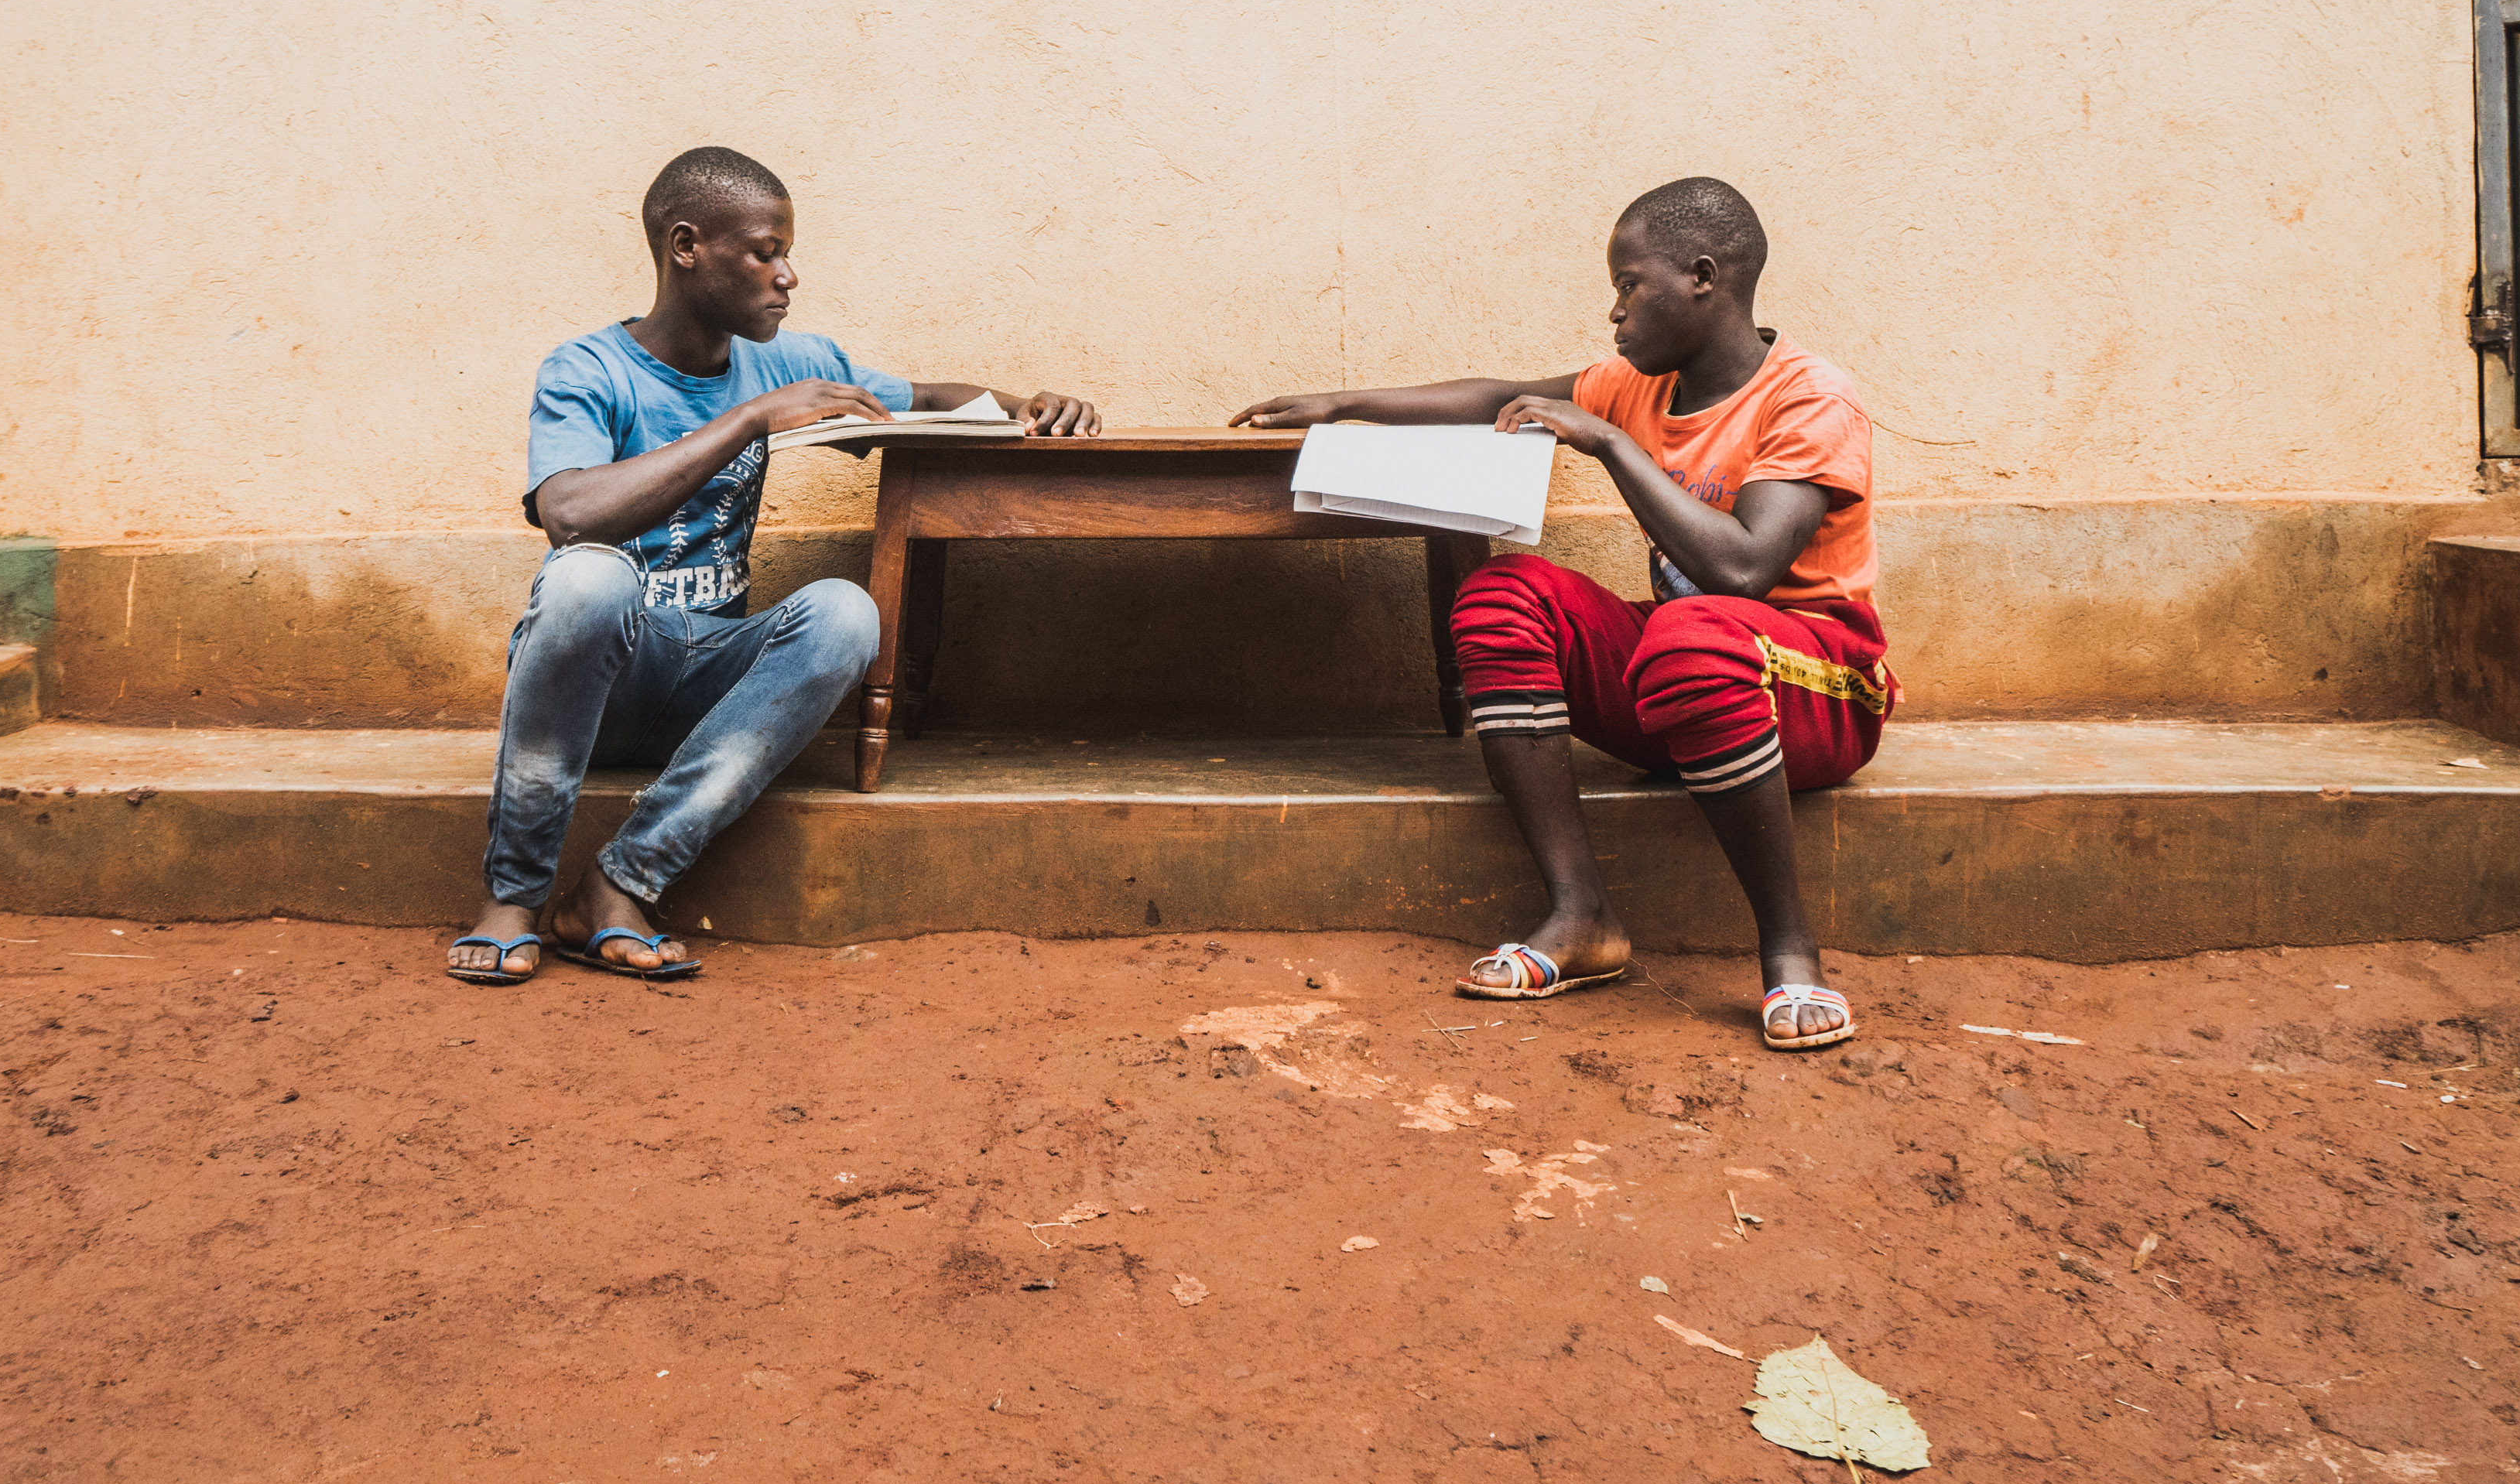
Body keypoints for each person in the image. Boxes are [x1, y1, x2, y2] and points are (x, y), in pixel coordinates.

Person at [1230, 177, 1890, 1051]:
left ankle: (1788, 953)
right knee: (1504, 596)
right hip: (1689, 687)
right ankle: (1581, 917)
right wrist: (1344, 404)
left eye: (1628, 284)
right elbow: (1494, 395)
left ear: (1701, 276)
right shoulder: (1637, 384)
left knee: (1692, 633)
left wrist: (1609, 443)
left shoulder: (1809, 398)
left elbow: (1742, 567)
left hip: (1822, 695)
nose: (1613, 312)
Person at [447, 148, 1100, 985]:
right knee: (590, 577)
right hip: (600, 686)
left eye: (786, 254)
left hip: (706, 683)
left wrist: (1023, 403)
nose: (786, 276)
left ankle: (617, 885)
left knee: (845, 611)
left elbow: (928, 399)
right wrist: (753, 419)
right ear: (687, 246)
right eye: (764, 252)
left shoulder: (787, 359)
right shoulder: (588, 369)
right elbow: (569, 514)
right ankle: (513, 895)